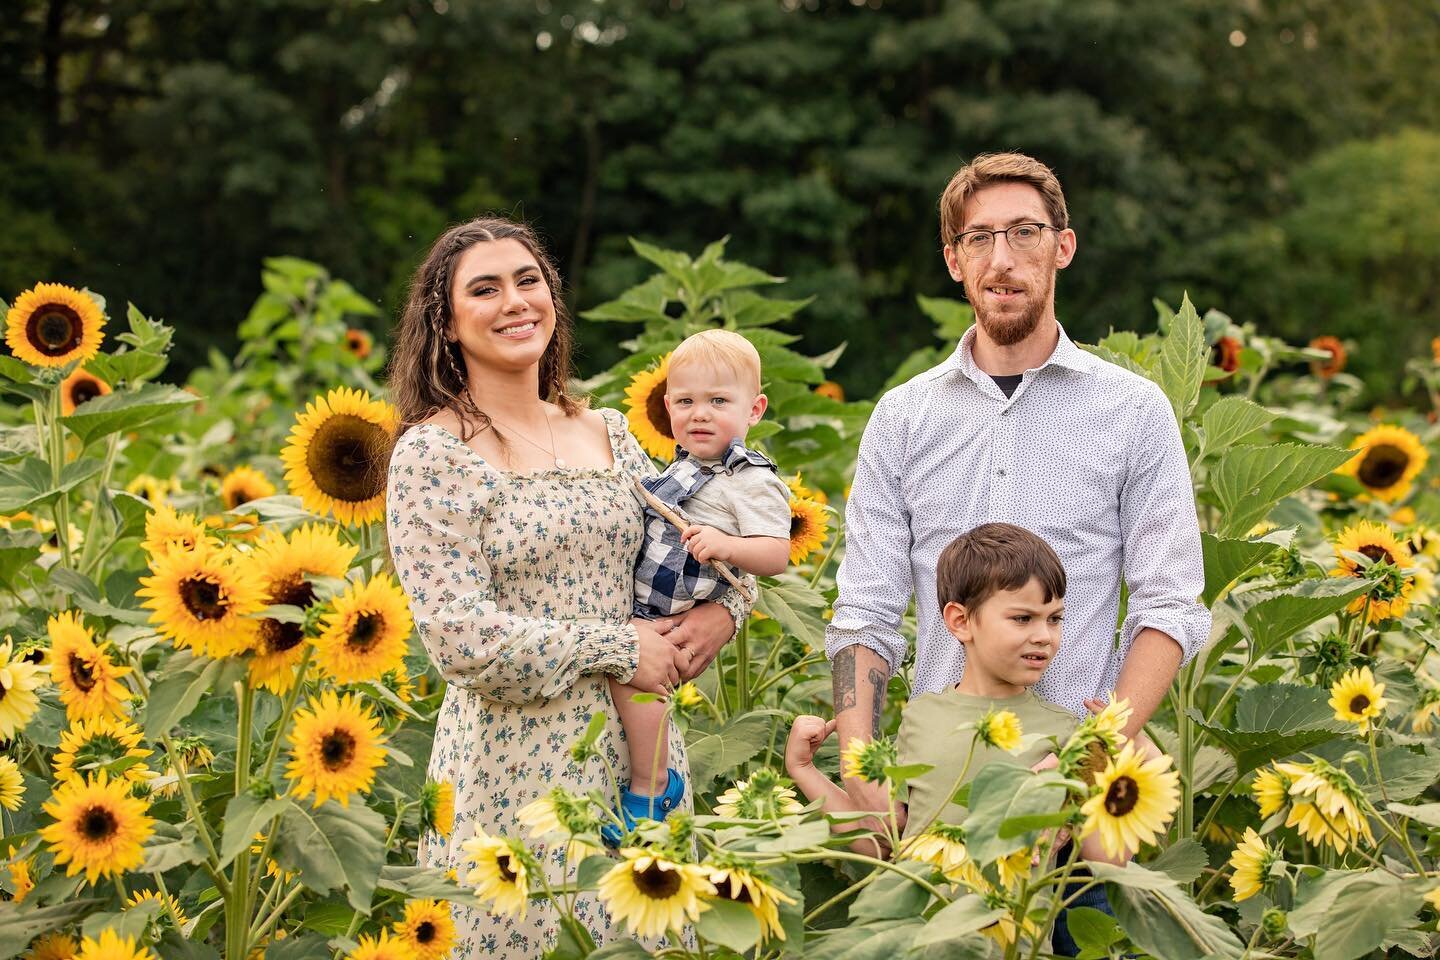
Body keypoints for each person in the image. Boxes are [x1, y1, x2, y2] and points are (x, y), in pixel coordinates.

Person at [384, 217, 752, 954]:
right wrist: (622, 648)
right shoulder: (433, 455)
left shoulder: (607, 429)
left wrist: (730, 610)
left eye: (528, 281)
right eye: (484, 290)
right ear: (447, 324)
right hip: (510, 777)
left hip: (637, 762)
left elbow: (689, 542)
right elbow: (462, 641)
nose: (515, 302)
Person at [826, 152, 1209, 825]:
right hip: (943, 780)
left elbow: (1169, 603)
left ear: (1063, 246)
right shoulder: (904, 418)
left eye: (1024, 232)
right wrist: (860, 768)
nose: (1001, 259)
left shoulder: (1132, 410)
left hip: (1080, 788)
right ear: (954, 260)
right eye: (980, 238)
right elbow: (865, 612)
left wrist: (1101, 747)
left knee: (1081, 935)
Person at [790, 523, 1153, 956]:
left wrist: (1131, 752)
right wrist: (804, 770)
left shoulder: (1066, 733)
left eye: (1055, 618)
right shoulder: (921, 716)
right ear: (960, 621)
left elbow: (1102, 860)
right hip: (921, 942)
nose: (1045, 635)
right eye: (1023, 618)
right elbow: (884, 840)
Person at [608, 329, 791, 841]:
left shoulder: (751, 479)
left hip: (669, 616)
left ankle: (651, 787)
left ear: (754, 410)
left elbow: (775, 553)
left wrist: (725, 545)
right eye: (686, 402)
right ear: (667, 408)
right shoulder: (684, 466)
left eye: (718, 401)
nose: (700, 414)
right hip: (645, 606)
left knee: (639, 686)